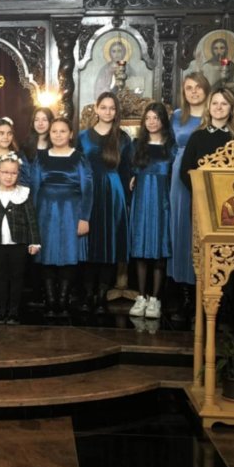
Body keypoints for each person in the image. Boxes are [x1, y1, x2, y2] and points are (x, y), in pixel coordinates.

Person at [30, 118, 92, 319]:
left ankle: (63, 301)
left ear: (71, 134)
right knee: (46, 254)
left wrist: (84, 218)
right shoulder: (41, 158)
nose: (58, 135)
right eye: (54, 131)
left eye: (62, 131)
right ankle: (50, 300)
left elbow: (88, 189)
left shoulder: (79, 158)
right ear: (49, 134)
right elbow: (34, 188)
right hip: (45, 212)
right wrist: (32, 219)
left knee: (68, 254)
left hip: (71, 212)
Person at [77, 92, 132, 311]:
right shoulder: (82, 137)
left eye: (112, 108)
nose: (108, 112)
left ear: (116, 112)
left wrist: (127, 202)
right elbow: (77, 168)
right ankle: (87, 294)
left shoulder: (123, 138)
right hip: (88, 193)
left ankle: (101, 295)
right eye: (104, 107)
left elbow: (127, 171)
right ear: (96, 109)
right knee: (88, 242)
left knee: (109, 243)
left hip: (113, 194)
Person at [127, 103, 176, 322]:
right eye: (148, 118)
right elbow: (133, 169)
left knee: (158, 248)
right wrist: (134, 176)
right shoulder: (137, 144)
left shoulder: (171, 146)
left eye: (156, 118)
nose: (152, 122)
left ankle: (155, 299)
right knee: (140, 248)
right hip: (141, 201)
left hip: (161, 201)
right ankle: (141, 297)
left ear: (163, 120)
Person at [167, 72, 210, 319]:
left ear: (206, 90)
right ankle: (185, 296)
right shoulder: (176, 116)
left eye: (198, 87)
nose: (193, 92)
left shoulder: (213, 113)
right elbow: (168, 147)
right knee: (181, 229)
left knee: (203, 229)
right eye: (189, 88)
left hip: (206, 173)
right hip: (179, 175)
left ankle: (206, 294)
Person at [0, 153, 41, 325]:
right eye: (5, 172)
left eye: (13, 173)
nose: (9, 176)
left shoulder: (23, 193)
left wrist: (34, 241)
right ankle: (1, 311)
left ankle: (13, 312)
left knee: (17, 277)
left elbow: (31, 219)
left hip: (19, 243)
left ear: (18, 174)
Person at [180, 86, 234, 191]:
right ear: (209, 106)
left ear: (231, 108)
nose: (218, 107)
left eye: (224, 104)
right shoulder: (197, 136)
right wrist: (201, 192)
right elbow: (185, 172)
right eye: (214, 103)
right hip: (204, 195)